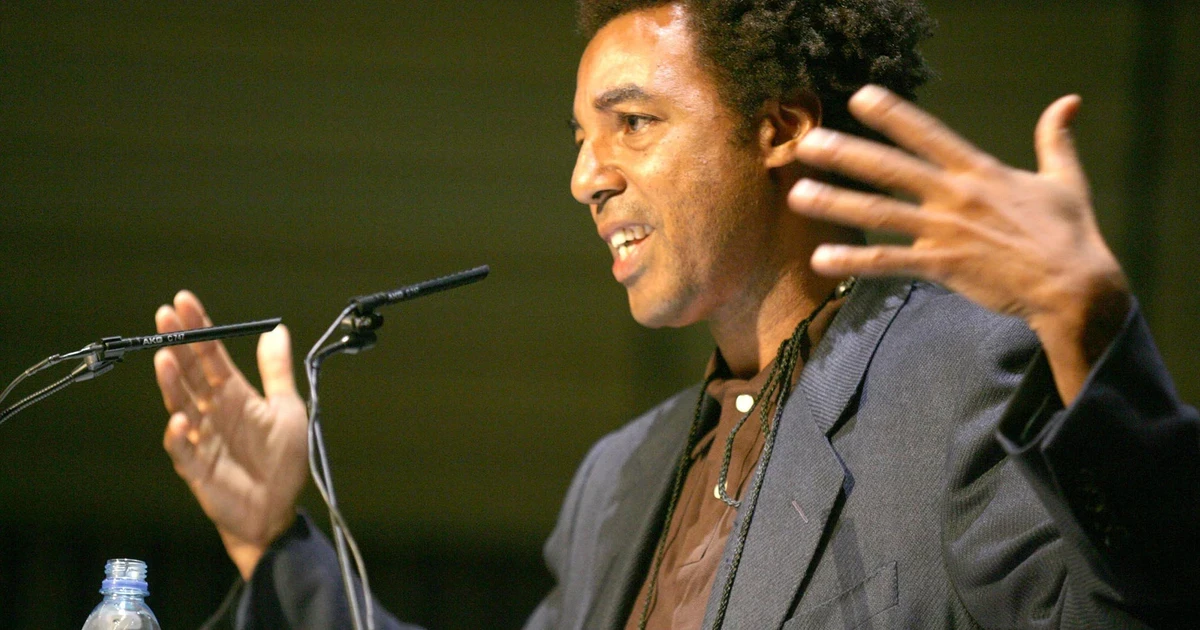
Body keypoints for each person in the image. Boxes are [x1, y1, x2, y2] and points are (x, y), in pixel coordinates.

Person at [152, 1, 1199, 628]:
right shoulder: (617, 482)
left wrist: (1090, 325)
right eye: (580, 137)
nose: (585, 177)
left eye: (633, 123)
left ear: (779, 128)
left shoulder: (967, 384)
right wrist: (273, 542)